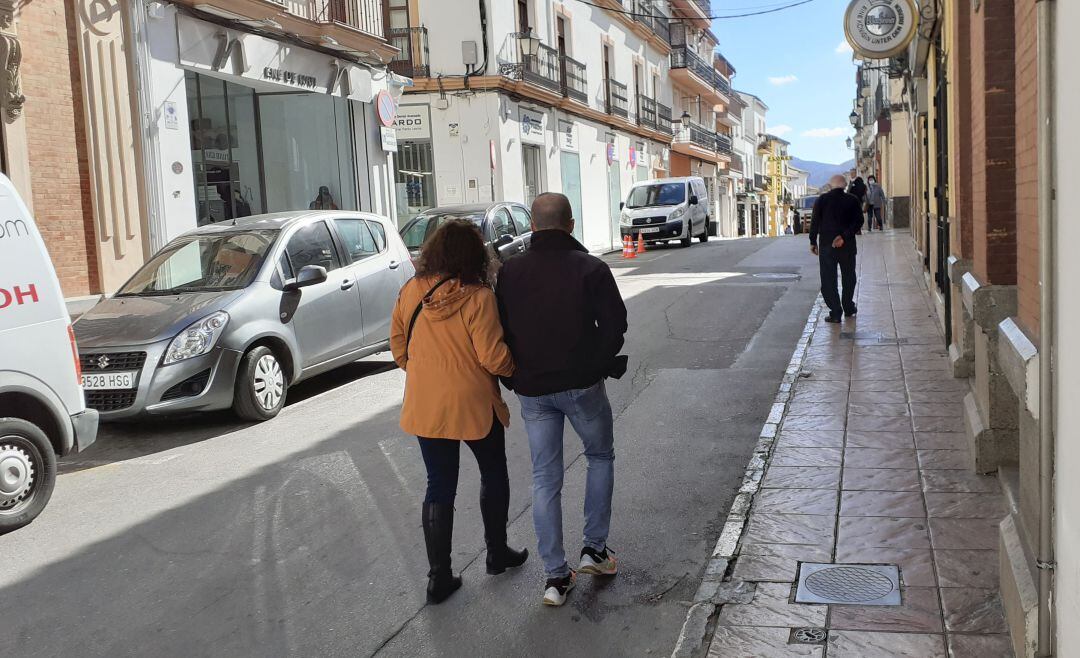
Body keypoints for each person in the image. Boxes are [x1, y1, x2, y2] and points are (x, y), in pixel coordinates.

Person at [495, 192, 628, 607]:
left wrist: (514, 376)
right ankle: (595, 550)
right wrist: (595, 363)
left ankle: (555, 577)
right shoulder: (591, 267)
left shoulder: (510, 272)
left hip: (533, 390)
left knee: (545, 478)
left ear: (532, 226)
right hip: (582, 385)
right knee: (599, 457)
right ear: (570, 225)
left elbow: (499, 329)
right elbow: (615, 324)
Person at [389, 221, 529, 605]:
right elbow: (492, 356)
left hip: (427, 405)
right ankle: (496, 552)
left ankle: (439, 578)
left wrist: (425, 374)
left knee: (439, 484)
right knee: (493, 472)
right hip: (474, 404)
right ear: (474, 256)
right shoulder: (479, 297)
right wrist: (517, 370)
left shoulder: (411, 291)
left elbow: (399, 347)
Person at [810, 175, 864, 323]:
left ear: (830, 185)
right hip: (847, 246)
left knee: (828, 278)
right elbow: (859, 221)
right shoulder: (852, 200)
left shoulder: (821, 200)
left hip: (827, 246)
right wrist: (844, 237)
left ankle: (835, 311)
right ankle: (848, 306)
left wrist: (813, 241)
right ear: (845, 185)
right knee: (849, 276)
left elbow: (815, 222)